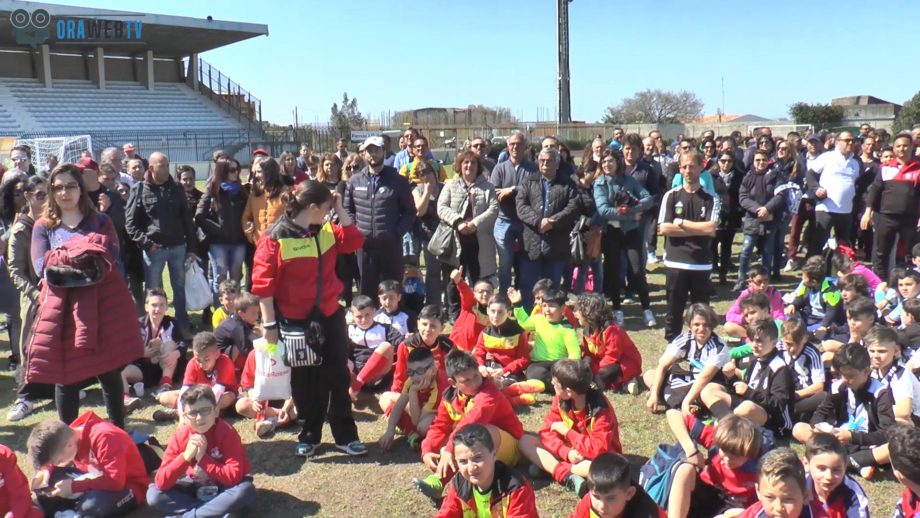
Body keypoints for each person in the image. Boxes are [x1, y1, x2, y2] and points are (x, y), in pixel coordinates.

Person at [252, 179, 367, 458]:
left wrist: (339, 208)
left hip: (330, 315)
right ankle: (309, 435)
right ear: (313, 207)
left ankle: (346, 435)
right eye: (327, 207)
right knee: (305, 382)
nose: (329, 212)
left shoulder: (325, 229)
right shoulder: (275, 237)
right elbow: (263, 285)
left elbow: (354, 241)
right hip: (295, 321)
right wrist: (269, 324)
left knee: (338, 376)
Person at [28, 164, 143, 428]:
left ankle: (117, 431)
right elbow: (42, 267)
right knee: (66, 377)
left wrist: (65, 259)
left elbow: (109, 257)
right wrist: (84, 256)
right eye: (58, 187)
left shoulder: (100, 221)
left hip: (100, 305)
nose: (64, 192)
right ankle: (68, 437)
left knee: (109, 371)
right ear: (51, 191)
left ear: (81, 188)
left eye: (70, 186)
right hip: (62, 311)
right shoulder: (43, 226)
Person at [415, 350, 525, 506]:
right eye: (466, 380)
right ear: (453, 383)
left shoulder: (489, 392)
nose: (474, 383)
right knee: (459, 438)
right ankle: (443, 481)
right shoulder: (449, 397)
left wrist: (449, 449)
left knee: (479, 433)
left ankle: (449, 481)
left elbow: (473, 420)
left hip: (512, 446)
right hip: (481, 449)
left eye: (476, 376)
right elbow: (439, 426)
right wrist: (427, 450)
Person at [147, 385, 255, 517]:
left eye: (205, 410)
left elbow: (234, 476)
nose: (199, 418)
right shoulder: (180, 437)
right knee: (154, 494)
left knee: (244, 491)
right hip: (195, 485)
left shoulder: (227, 433)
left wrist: (203, 459)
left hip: (225, 487)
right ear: (184, 417)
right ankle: (210, 512)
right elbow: (161, 481)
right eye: (192, 413)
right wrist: (186, 457)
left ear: (216, 411)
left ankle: (191, 515)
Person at [519, 359, 622, 496]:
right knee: (525, 441)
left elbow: (598, 448)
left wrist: (567, 432)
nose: (551, 383)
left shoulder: (600, 411)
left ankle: (553, 467)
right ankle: (567, 475)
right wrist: (566, 452)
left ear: (569, 391)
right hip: (569, 452)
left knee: (605, 468)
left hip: (595, 458)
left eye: (555, 383)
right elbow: (547, 431)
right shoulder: (560, 399)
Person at [792, 343, 894, 479]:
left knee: (891, 448)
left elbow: (886, 433)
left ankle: (841, 461)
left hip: (866, 443)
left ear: (866, 371)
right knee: (799, 428)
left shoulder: (880, 393)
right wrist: (820, 427)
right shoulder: (838, 387)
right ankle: (855, 463)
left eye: (850, 375)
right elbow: (819, 414)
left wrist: (852, 437)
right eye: (841, 375)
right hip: (837, 441)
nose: (845, 380)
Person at [125, 152, 198, 333]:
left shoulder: (177, 188)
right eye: (162, 166)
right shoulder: (140, 189)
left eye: (167, 165)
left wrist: (191, 248)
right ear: (151, 168)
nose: (166, 169)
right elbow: (130, 224)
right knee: (153, 291)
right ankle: (153, 329)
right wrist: (147, 244)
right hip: (154, 250)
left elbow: (187, 220)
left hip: (178, 247)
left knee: (179, 289)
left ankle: (182, 325)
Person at [28, 412, 149, 517]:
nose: (59, 464)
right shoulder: (69, 437)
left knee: (91, 506)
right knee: (47, 483)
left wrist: (75, 486)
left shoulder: (104, 437)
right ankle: (67, 512)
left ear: (69, 445)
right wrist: (45, 470)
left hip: (128, 486)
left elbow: (115, 482)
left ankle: (73, 510)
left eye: (59, 461)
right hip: (94, 476)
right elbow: (52, 454)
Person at [344, 136, 416, 298]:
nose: (373, 154)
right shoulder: (354, 181)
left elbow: (410, 212)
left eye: (377, 150)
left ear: (384, 151)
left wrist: (396, 232)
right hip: (365, 247)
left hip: (390, 246)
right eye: (369, 150)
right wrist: (357, 231)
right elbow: (348, 209)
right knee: (367, 295)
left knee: (392, 292)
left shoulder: (398, 181)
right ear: (364, 154)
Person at [658, 149, 719, 340]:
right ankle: (673, 345)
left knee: (701, 314)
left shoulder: (711, 197)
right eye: (684, 166)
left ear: (701, 167)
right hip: (675, 262)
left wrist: (682, 223)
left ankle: (701, 346)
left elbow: (711, 228)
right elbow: (664, 228)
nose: (687, 170)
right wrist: (698, 229)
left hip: (700, 263)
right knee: (673, 311)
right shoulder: (671, 196)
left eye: (692, 166)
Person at [5, 174, 51, 422]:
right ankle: (24, 397)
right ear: (28, 196)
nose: (45, 200)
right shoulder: (21, 229)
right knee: (29, 348)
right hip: (34, 298)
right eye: (40, 195)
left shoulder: (54, 223)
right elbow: (15, 270)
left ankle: (57, 388)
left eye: (48, 194)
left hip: (58, 295)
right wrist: (35, 294)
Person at [593, 148, 655, 327]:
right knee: (613, 272)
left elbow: (647, 199)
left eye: (610, 161)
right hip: (611, 233)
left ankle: (647, 309)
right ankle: (617, 309)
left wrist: (632, 209)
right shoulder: (599, 183)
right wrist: (629, 214)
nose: (607, 164)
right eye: (604, 162)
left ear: (618, 162)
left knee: (637, 271)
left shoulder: (629, 180)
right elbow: (603, 210)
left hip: (631, 232)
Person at [700, 319, 794, 435]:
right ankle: (725, 422)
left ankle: (722, 426)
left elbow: (778, 405)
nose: (754, 345)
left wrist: (749, 392)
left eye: (759, 341)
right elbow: (744, 389)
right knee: (709, 389)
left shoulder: (780, 368)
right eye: (752, 340)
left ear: (774, 343)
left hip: (774, 421)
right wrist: (731, 377)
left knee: (747, 407)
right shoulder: (755, 360)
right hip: (748, 404)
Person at [665, 411, 765, 518]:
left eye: (736, 456)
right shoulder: (721, 441)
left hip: (733, 505)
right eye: (724, 451)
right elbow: (673, 413)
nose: (727, 459)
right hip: (706, 490)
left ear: (750, 454)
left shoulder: (760, 467)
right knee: (685, 469)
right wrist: (691, 451)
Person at [437, 150, 499, 317]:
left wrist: (475, 223)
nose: (469, 166)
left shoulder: (488, 187)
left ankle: (481, 314)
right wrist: (458, 222)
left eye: (473, 163)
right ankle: (455, 315)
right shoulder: (450, 185)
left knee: (480, 280)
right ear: (460, 165)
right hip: (455, 243)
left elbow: (493, 208)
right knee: (454, 280)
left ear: (478, 166)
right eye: (466, 162)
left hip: (480, 244)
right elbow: (441, 207)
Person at [516, 146, 579, 309]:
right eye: (542, 161)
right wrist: (538, 222)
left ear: (557, 164)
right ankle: (529, 316)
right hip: (531, 244)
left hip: (556, 245)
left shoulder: (568, 183)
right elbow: (521, 206)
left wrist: (552, 222)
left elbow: (573, 207)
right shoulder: (529, 181)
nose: (544, 164)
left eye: (549, 161)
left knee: (552, 287)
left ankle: (550, 317)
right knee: (528, 285)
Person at [434, 423, 538, 518]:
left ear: (494, 455)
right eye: (463, 461)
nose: (471, 468)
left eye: (477, 458)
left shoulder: (515, 488)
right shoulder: (459, 485)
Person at [643, 303, 729, 414]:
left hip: (711, 383)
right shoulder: (685, 339)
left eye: (706, 325)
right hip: (692, 379)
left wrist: (686, 402)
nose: (701, 329)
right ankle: (659, 394)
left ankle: (681, 401)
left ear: (712, 325)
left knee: (706, 392)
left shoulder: (718, 347)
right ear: (689, 325)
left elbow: (704, 377)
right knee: (649, 374)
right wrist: (654, 394)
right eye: (696, 324)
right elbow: (663, 366)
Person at [863, 132, 920, 280]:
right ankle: (880, 283)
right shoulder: (885, 168)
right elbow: (874, 192)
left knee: (910, 253)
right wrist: (867, 213)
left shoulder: (918, 168)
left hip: (909, 219)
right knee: (881, 253)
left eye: (905, 146)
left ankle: (910, 283)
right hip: (886, 217)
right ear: (894, 148)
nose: (902, 149)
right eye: (898, 146)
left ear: (912, 147)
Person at [196, 157, 248, 306]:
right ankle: (220, 310)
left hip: (238, 241)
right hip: (218, 243)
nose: (236, 172)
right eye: (232, 170)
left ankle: (236, 310)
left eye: (237, 169)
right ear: (223, 171)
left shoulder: (242, 190)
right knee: (220, 278)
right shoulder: (212, 190)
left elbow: (248, 213)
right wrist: (218, 230)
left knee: (236, 278)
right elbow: (199, 216)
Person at [122, 288, 185, 407]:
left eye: (161, 305)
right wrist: (140, 352)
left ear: (166, 307)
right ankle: (126, 400)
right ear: (146, 307)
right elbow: (125, 349)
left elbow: (183, 344)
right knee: (121, 372)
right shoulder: (137, 324)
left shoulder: (172, 323)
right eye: (154, 305)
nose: (158, 309)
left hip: (165, 366)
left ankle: (165, 385)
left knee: (170, 344)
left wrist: (176, 353)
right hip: (143, 370)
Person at [490, 131, 537, 292]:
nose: (515, 147)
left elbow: (533, 192)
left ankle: (524, 296)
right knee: (505, 264)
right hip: (504, 221)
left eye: (518, 144)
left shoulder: (533, 168)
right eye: (512, 144)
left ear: (525, 146)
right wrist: (519, 191)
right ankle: (504, 296)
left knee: (526, 263)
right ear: (507, 146)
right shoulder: (499, 169)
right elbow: (496, 193)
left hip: (526, 223)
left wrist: (512, 190)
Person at [378, 346, 447, 451]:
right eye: (411, 372)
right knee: (385, 397)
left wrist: (413, 391)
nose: (415, 377)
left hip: (438, 415)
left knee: (422, 426)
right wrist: (390, 431)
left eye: (420, 371)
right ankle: (412, 433)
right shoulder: (412, 380)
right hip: (421, 410)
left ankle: (413, 432)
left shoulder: (439, 386)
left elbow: (416, 421)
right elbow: (399, 405)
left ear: (434, 369)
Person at [510, 287, 581, 388]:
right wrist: (517, 305)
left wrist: (570, 370)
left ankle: (561, 384)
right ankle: (559, 384)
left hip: (558, 363)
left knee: (560, 374)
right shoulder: (539, 319)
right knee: (533, 373)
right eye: (544, 306)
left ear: (562, 308)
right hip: (539, 363)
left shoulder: (566, 328)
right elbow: (525, 323)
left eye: (551, 306)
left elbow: (574, 352)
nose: (547, 310)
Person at [735, 149, 786, 291]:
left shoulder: (776, 176)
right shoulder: (748, 177)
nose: (761, 163)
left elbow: (780, 195)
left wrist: (767, 209)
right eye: (757, 160)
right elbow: (743, 197)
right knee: (746, 251)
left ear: (768, 161)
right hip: (752, 220)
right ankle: (741, 280)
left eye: (763, 160)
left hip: (770, 220)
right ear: (753, 161)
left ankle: (764, 281)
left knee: (767, 253)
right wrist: (758, 209)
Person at [572, 292, 641, 393]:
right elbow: (588, 353)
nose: (575, 313)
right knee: (585, 364)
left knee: (606, 372)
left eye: (578, 310)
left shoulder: (611, 330)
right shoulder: (587, 330)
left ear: (589, 312)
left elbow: (612, 356)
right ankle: (624, 384)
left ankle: (625, 381)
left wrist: (595, 372)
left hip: (623, 364)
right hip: (602, 362)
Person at [806, 132, 860, 257]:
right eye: (847, 140)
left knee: (843, 245)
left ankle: (838, 268)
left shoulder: (855, 163)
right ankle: (813, 267)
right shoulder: (827, 157)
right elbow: (810, 175)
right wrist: (816, 189)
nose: (850, 143)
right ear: (837, 142)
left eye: (852, 140)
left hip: (846, 211)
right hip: (826, 208)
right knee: (819, 243)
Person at [569, 451, 665, 518]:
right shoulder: (589, 503)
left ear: (629, 493)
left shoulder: (646, 513)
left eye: (610, 498)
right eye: (596, 497)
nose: (602, 506)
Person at [735, 448, 826, 518]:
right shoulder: (755, 514)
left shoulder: (818, 515)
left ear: (805, 496)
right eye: (770, 497)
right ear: (758, 492)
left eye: (788, 499)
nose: (778, 508)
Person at [347, 295, 403, 399]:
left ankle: (359, 383)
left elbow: (402, 343)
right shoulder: (349, 330)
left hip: (379, 376)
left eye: (367, 315)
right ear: (352, 315)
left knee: (386, 346)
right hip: (354, 375)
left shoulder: (385, 328)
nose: (363, 320)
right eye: (359, 316)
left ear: (374, 312)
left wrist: (409, 338)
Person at [803, 433, 870, 518]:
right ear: (806, 463)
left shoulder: (852, 492)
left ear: (845, 467)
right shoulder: (800, 486)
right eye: (822, 469)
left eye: (836, 470)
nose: (829, 477)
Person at [0, 172, 26, 372]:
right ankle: (17, 356)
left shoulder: (36, 210)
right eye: (18, 192)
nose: (23, 196)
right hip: (8, 271)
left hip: (30, 269)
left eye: (27, 191)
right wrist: (13, 228)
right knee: (14, 315)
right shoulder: (4, 216)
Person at [779, 316, 827, 422]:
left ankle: (793, 410)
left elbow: (819, 386)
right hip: (782, 394)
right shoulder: (778, 349)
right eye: (788, 344)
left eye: (797, 344)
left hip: (803, 395)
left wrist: (797, 395)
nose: (792, 349)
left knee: (823, 396)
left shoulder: (812, 353)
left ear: (805, 339)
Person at [412, 160, 447, 305]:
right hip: (429, 237)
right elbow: (419, 212)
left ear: (435, 173)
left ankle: (449, 303)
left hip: (446, 236)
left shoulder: (445, 188)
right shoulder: (417, 191)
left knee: (448, 271)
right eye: (422, 174)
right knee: (433, 272)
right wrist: (426, 192)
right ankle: (434, 305)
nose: (427, 176)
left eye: (428, 172)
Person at [711, 150, 743, 285]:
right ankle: (713, 267)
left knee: (727, 246)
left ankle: (723, 274)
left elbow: (742, 195)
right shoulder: (711, 176)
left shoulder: (739, 176)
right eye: (723, 161)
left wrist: (739, 211)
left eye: (729, 161)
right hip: (716, 216)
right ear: (718, 162)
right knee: (712, 244)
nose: (726, 164)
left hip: (732, 216)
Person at [242, 157, 288, 247]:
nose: (256, 175)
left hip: (282, 246)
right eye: (256, 172)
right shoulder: (254, 196)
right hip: (260, 246)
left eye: (259, 172)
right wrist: (252, 236)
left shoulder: (286, 193)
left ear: (270, 173)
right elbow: (246, 218)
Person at [447, 268, 493, 351]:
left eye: (488, 292)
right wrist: (459, 280)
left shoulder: (495, 312)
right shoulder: (471, 304)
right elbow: (466, 293)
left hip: (477, 351)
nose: (485, 294)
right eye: (481, 291)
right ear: (474, 293)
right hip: (456, 347)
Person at [214, 292, 260, 373]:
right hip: (217, 359)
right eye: (253, 313)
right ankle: (233, 370)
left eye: (258, 313)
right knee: (238, 347)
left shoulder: (237, 318)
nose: (257, 317)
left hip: (226, 349)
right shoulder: (236, 327)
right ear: (241, 313)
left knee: (254, 334)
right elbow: (245, 350)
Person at [0, 444, 42, 518]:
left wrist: (13, 516)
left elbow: (21, 494)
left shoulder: (4, 457)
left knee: (34, 514)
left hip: (9, 508)